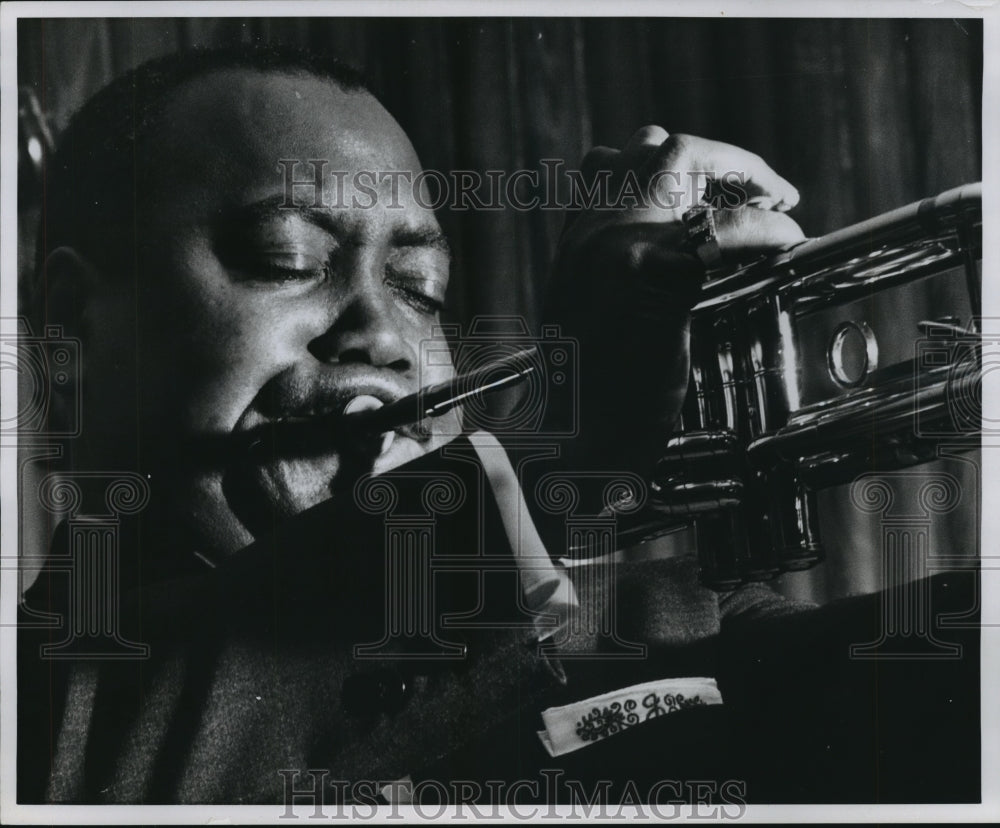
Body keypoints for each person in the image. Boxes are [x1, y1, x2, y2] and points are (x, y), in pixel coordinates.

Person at [17, 44, 978, 807]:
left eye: (419, 288)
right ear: (73, 332)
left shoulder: (667, 621)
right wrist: (559, 442)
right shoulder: (38, 707)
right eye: (287, 258)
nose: (385, 334)